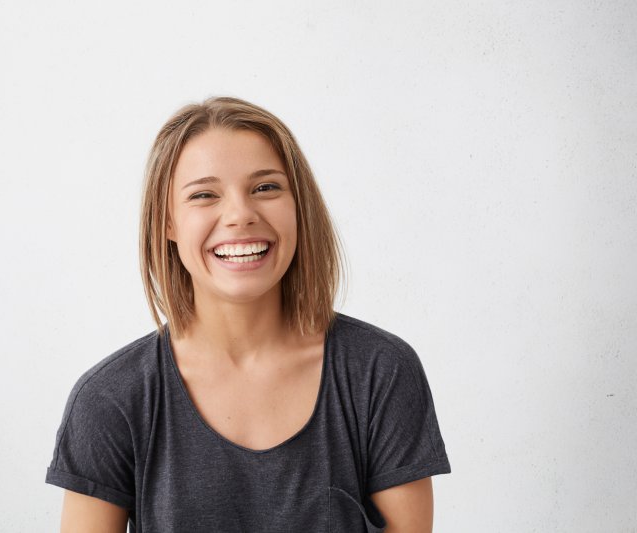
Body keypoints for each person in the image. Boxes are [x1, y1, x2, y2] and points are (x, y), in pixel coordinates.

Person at [45, 96, 451, 532]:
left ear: (300, 206)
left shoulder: (380, 372)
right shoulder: (110, 400)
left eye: (266, 187)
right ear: (167, 223)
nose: (240, 214)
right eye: (203, 194)